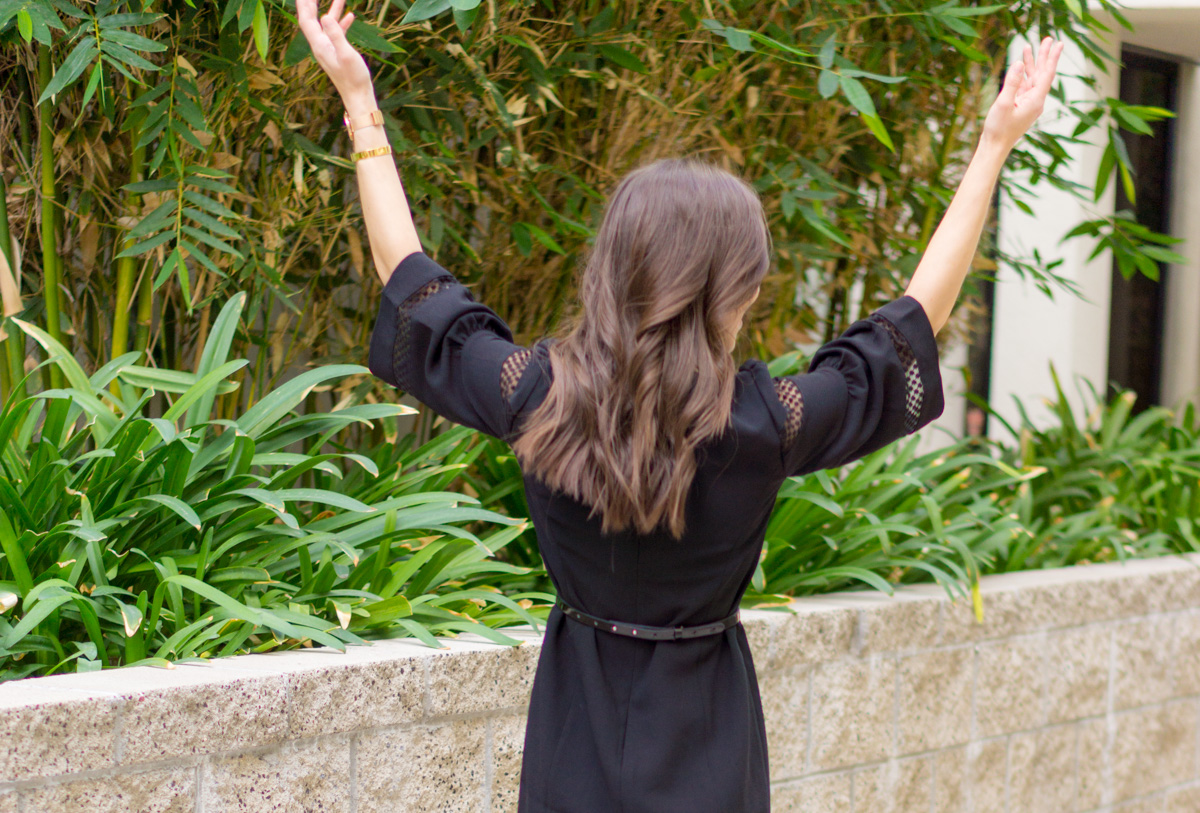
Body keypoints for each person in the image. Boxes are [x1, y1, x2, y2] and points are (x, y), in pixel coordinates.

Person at [298, 4, 1063, 810]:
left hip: (574, 732)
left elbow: (412, 278)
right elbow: (910, 323)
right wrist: (991, 146)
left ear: (613, 270)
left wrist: (361, 104)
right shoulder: (765, 424)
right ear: (734, 292)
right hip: (708, 737)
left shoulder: (539, 395)